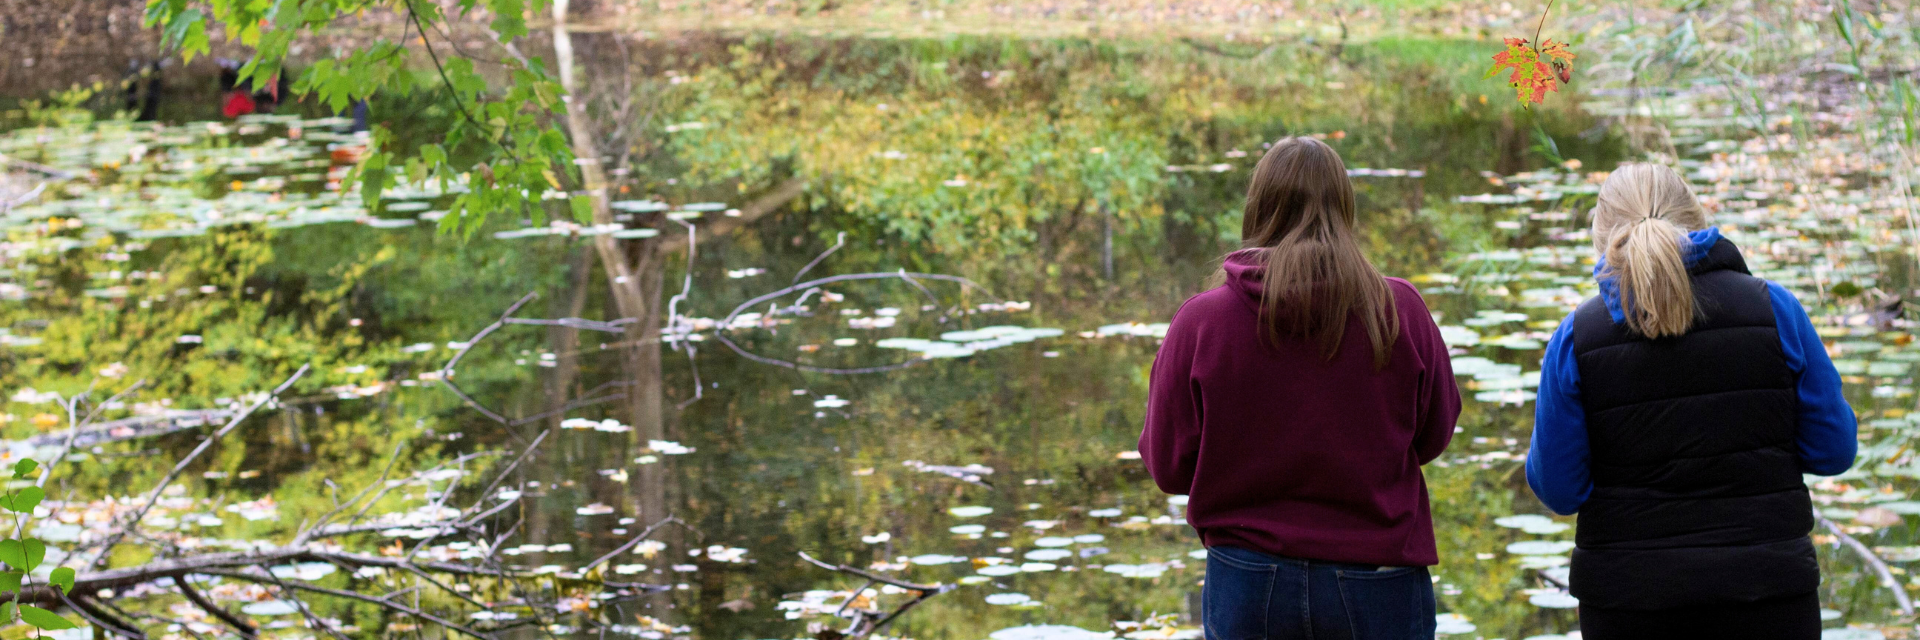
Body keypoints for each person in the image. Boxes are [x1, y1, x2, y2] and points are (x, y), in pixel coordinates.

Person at [1139, 137, 1460, 640]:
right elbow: (1434, 433)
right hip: (1378, 578)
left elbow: (1168, 465)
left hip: (1249, 581)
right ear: (1344, 207)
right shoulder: (1400, 310)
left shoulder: (1203, 322)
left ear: (1259, 207)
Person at [1525, 163, 1857, 639]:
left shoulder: (1577, 338)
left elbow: (1558, 489)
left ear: (1602, 237)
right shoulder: (1774, 308)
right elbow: (1833, 451)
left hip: (1629, 602)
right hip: (1768, 590)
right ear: (1698, 217)